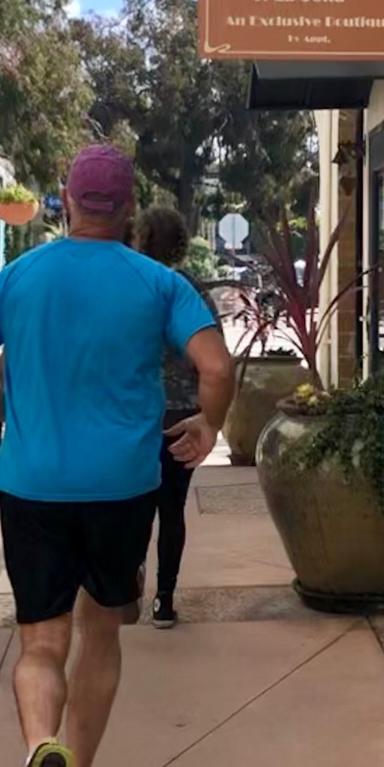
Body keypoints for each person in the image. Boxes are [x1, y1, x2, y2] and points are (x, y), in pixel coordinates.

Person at [0, 145, 234, 767]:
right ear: (128, 208)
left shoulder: (22, 276)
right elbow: (217, 367)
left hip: (34, 483)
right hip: (122, 487)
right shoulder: (157, 281)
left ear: (65, 201)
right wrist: (208, 425)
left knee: (41, 643)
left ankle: (42, 748)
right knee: (100, 628)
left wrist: (8, 414)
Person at [135, 205, 213, 629]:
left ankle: (129, 581)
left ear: (140, 237)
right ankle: (164, 599)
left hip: (134, 413)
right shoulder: (191, 290)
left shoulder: (130, 286)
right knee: (172, 507)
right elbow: (214, 356)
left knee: (134, 504)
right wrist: (210, 414)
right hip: (182, 413)